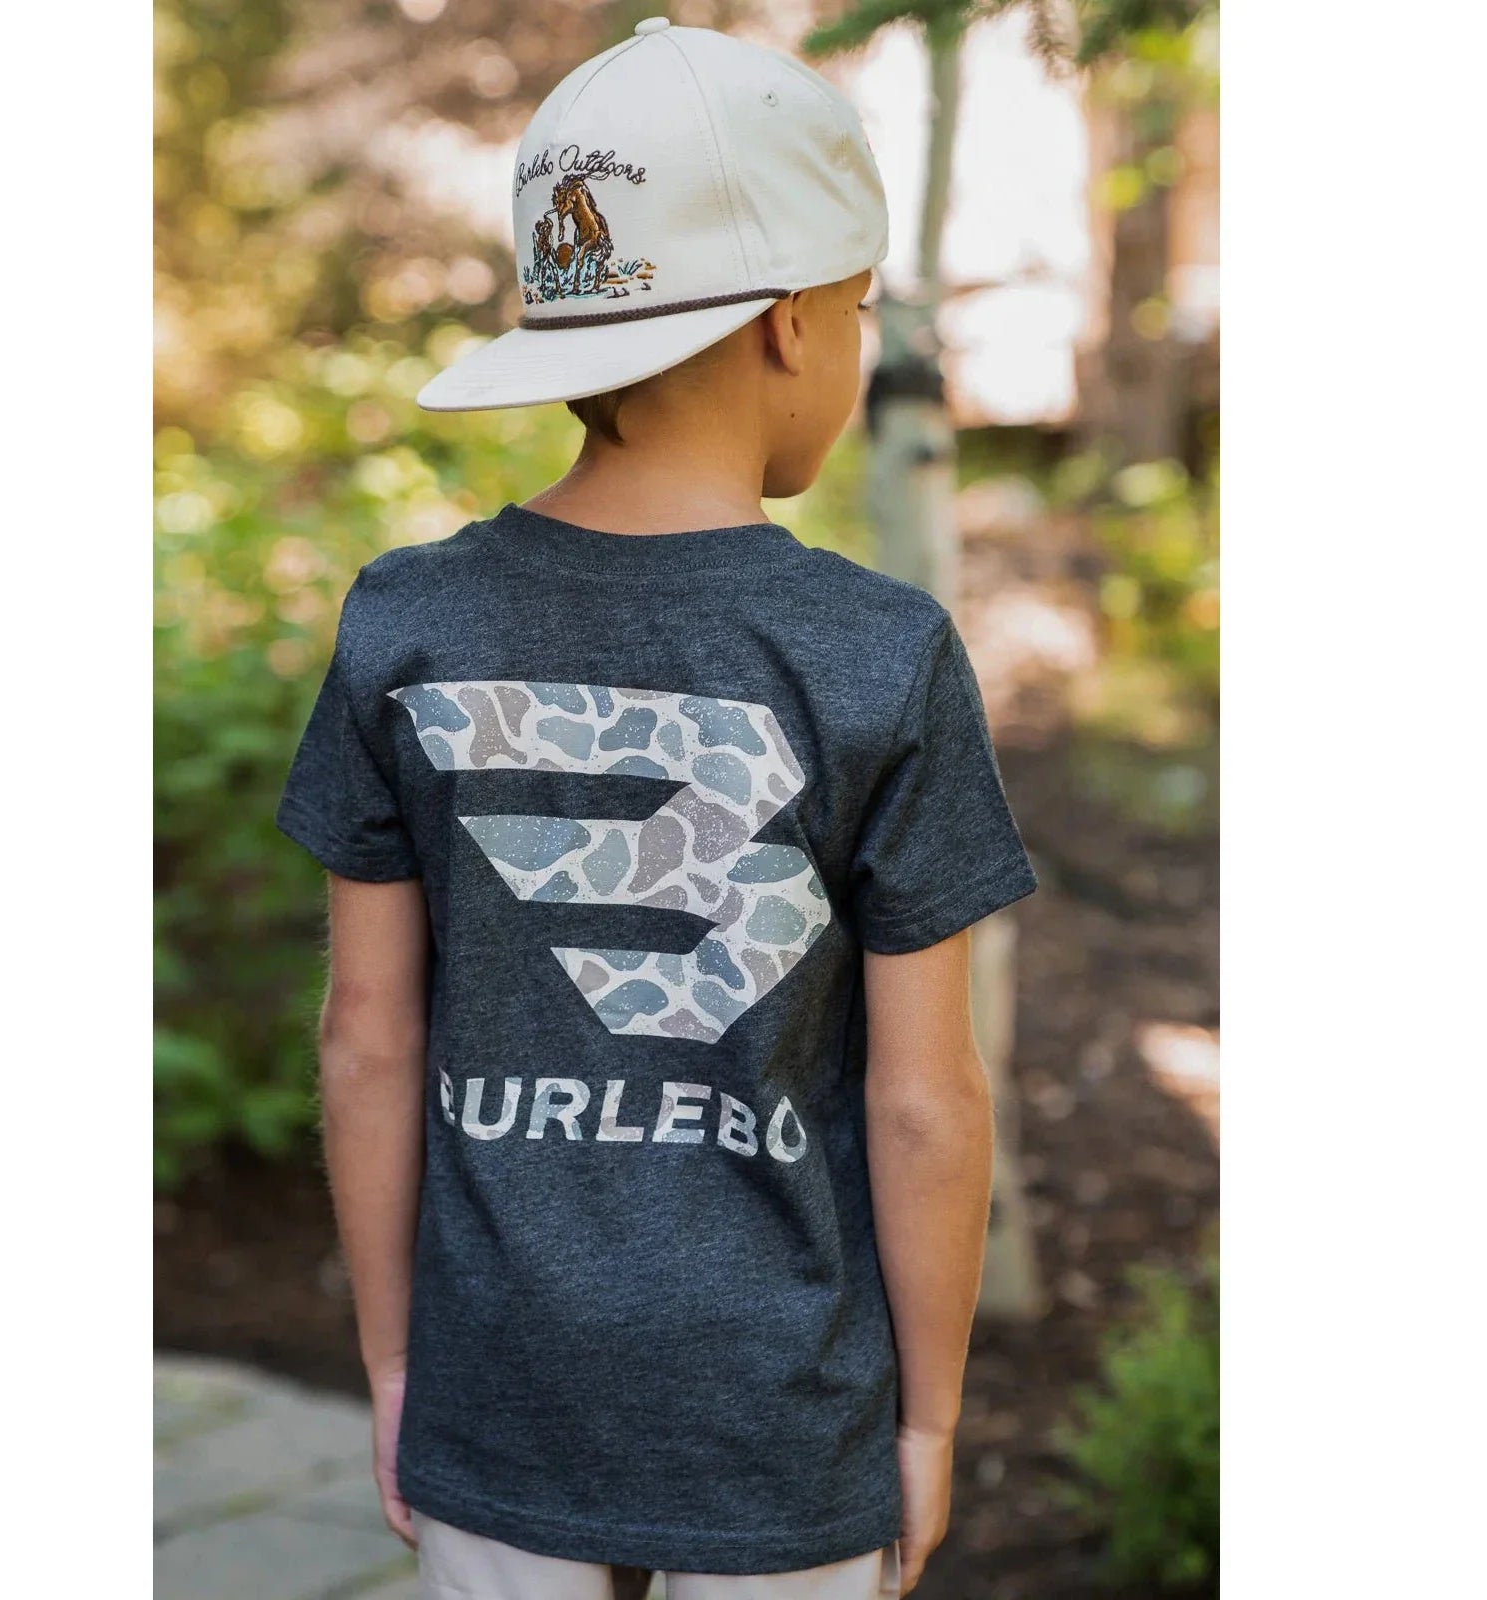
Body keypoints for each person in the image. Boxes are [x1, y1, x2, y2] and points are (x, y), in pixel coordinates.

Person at [277, 17, 1037, 1599]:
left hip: (499, 1385)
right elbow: (924, 1102)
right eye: (856, 309)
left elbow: (365, 1037)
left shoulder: (406, 622)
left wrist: (397, 1364)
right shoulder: (881, 653)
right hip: (785, 1415)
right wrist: (930, 1421)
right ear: (791, 328)